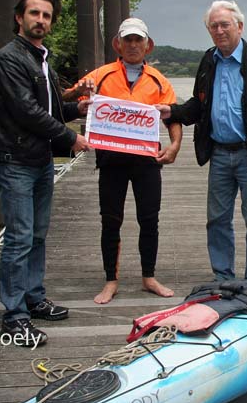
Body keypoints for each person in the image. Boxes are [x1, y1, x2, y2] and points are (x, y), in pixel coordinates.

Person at [0, 0, 91, 347]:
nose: (40, 20)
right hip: (14, 160)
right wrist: (70, 138)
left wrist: (77, 109)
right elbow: (26, 112)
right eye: (34, 13)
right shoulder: (9, 59)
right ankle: (14, 317)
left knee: (38, 234)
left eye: (46, 16)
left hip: (40, 159)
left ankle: (33, 298)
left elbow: (49, 108)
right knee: (19, 237)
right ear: (19, 17)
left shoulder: (41, 59)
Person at [157, 0, 247, 281]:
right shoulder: (209, 61)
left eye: (225, 25)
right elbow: (199, 104)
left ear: (239, 27)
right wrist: (173, 112)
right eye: (213, 26)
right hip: (219, 153)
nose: (219, 31)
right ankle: (223, 278)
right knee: (217, 219)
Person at [78, 18, 182, 304]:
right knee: (110, 220)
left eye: (138, 40)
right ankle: (111, 280)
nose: (133, 45)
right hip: (111, 159)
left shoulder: (159, 80)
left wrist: (175, 145)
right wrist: (80, 93)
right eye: (128, 40)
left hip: (146, 160)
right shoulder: (100, 75)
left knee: (149, 219)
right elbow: (69, 98)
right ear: (118, 44)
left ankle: (149, 277)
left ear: (147, 46)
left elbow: (172, 116)